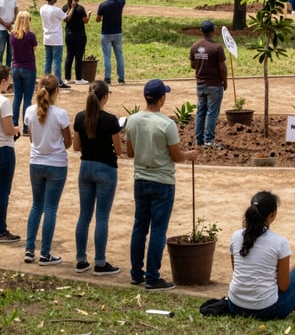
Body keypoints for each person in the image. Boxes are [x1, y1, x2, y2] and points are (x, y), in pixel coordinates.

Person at [126, 79, 197, 290]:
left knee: (139, 227)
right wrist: (189, 155)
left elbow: (130, 152)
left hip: (140, 179)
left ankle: (136, 273)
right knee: (158, 230)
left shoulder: (132, 120)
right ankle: (152, 276)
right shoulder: (167, 124)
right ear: (162, 99)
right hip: (163, 182)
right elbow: (176, 156)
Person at [73, 80, 122, 275]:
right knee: (102, 216)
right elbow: (118, 150)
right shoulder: (111, 120)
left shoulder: (79, 117)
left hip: (85, 167)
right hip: (106, 168)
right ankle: (100, 262)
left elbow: (76, 147)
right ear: (105, 97)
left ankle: (81, 259)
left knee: (84, 215)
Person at [23, 75, 71, 265]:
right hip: (56, 163)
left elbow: (32, 139)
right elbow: (68, 142)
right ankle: (45, 253)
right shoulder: (61, 114)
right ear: (56, 91)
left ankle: (29, 249)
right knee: (51, 208)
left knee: (36, 206)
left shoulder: (29, 111)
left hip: (36, 162)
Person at [190, 20, 227, 148]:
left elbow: (193, 65)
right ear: (213, 31)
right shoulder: (217, 48)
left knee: (200, 112)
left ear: (201, 31)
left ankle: (199, 140)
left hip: (200, 84)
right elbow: (222, 68)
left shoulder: (194, 47)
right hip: (214, 85)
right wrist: (225, 81)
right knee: (212, 113)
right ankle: (209, 140)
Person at [0, 65, 20, 242]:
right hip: (4, 149)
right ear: (3, 81)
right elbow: (7, 129)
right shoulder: (4, 102)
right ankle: (1, 229)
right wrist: (16, 129)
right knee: (3, 191)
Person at [10, 12, 37, 132]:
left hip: (15, 68)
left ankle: (14, 124)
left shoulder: (12, 35)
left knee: (17, 97)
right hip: (29, 68)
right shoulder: (30, 35)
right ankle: (26, 126)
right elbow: (35, 47)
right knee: (27, 98)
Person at [96, 0, 125, 85]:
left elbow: (98, 19)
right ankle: (121, 78)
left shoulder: (103, 5)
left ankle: (107, 78)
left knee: (107, 56)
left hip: (106, 33)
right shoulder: (120, 3)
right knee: (119, 55)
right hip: (118, 32)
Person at [40, 0, 70, 90]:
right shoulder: (56, 10)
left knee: (48, 60)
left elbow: (61, 15)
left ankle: (46, 80)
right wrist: (72, 8)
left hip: (47, 37)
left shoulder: (42, 8)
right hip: (56, 38)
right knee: (57, 61)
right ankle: (58, 82)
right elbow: (67, 18)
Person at [63, 0, 89, 85]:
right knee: (78, 57)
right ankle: (78, 78)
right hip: (79, 35)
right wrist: (89, 16)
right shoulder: (80, 8)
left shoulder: (65, 7)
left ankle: (67, 78)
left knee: (69, 56)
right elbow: (85, 21)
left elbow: (64, 19)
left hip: (69, 35)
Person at [0, 0, 18, 67]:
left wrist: (12, 22)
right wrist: (5, 24)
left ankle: (8, 71)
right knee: (0, 50)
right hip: (1, 29)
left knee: (10, 51)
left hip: (11, 29)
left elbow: (16, 11)